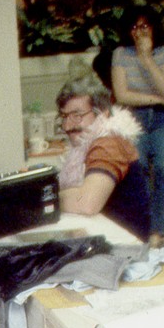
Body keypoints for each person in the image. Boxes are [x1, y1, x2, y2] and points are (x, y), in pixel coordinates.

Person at [110, 5, 164, 245]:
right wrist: (162, 100)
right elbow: (122, 95)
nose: (139, 32)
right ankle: (139, 232)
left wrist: (146, 58)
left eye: (144, 26)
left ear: (153, 27)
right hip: (134, 121)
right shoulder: (120, 53)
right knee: (137, 171)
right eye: (134, 27)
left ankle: (157, 234)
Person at [55, 74, 148, 239]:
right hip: (105, 240)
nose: (67, 126)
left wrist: (46, 200)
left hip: (126, 250)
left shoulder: (108, 143)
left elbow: (87, 203)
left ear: (103, 113)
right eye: (64, 117)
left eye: (77, 115)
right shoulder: (86, 144)